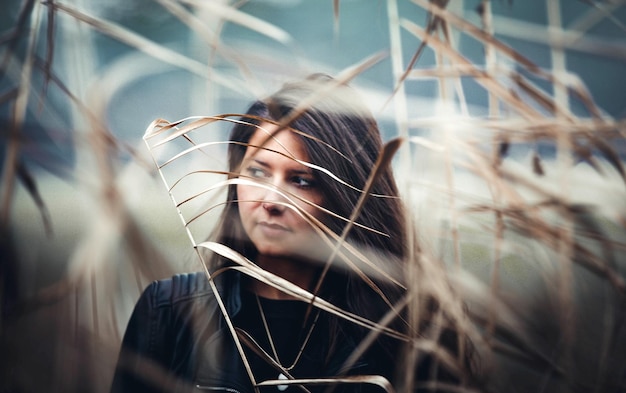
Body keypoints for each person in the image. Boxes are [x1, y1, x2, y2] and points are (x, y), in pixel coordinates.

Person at [110, 74, 472, 393]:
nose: (271, 200)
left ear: (346, 196)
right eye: (258, 172)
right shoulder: (170, 313)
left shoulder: (404, 328)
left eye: (301, 180)